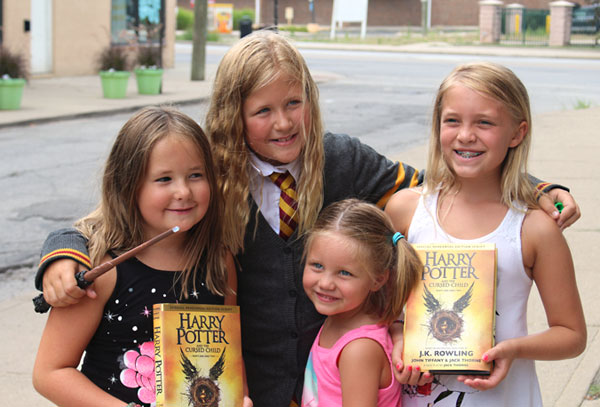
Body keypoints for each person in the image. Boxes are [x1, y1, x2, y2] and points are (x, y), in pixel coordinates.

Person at [33, 32, 579, 407]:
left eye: (294, 103)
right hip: (248, 385)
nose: (283, 123)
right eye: (262, 111)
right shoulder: (208, 178)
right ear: (233, 115)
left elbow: (448, 185)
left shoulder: (342, 159)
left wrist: (538, 187)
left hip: (336, 381)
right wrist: (62, 252)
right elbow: (115, 217)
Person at [385, 62, 586, 406]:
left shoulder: (534, 228)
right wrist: (398, 336)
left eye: (485, 122)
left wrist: (513, 349)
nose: (465, 135)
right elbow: (382, 307)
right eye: (452, 120)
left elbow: (572, 335)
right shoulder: (405, 211)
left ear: (517, 133)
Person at [32, 106, 252, 407]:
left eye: (196, 175)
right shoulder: (102, 270)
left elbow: (230, 358)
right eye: (164, 179)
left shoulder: (219, 262)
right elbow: (50, 372)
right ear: (128, 185)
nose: (183, 191)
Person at [301, 199, 422, 406]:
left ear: (377, 279)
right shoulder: (340, 318)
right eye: (317, 266)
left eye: (344, 273)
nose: (326, 283)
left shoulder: (359, 349)